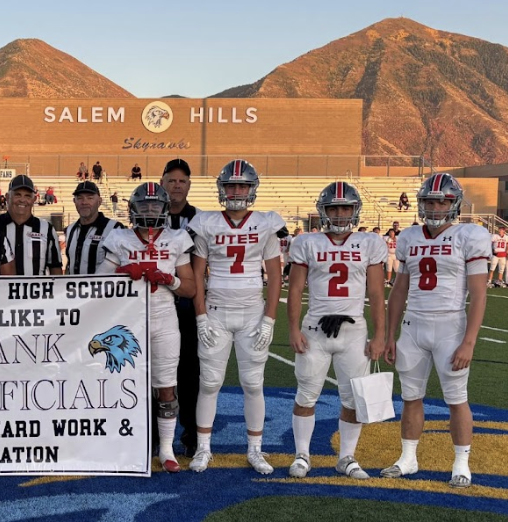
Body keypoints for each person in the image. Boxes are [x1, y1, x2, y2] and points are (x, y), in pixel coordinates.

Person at [383, 173, 490, 487]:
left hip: (450, 327)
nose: (434, 206)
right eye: (429, 200)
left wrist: (469, 342)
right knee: (410, 397)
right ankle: (408, 458)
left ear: (453, 202)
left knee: (457, 399)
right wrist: (390, 335)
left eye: (441, 200)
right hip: (413, 327)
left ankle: (461, 462)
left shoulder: (468, 236)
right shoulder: (409, 237)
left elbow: (480, 293)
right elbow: (399, 290)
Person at [189, 159, 286, 473]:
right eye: (231, 185)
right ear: (222, 189)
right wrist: (201, 316)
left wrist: (270, 319)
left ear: (251, 189)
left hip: (252, 314)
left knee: (253, 383)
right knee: (210, 383)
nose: (235, 191)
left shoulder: (266, 223)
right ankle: (203, 448)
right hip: (216, 312)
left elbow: (274, 274)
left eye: (241, 185)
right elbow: (198, 273)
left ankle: (255, 449)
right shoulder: (207, 222)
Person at [286, 182, 388, 480]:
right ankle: (302, 454)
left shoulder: (369, 242)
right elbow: (294, 289)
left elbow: (377, 291)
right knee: (306, 394)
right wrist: (293, 328)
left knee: (353, 397)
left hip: (354, 329)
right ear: (324, 210)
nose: (340, 213)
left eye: (346, 207)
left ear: (355, 210)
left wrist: (380, 334)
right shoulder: (308, 243)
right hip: (316, 328)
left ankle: (346, 457)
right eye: (334, 207)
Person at [99, 182, 196, 472]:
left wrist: (169, 280)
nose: (150, 211)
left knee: (166, 386)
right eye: (144, 206)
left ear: (165, 209)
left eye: (155, 206)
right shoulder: (119, 238)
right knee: (123, 384)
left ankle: (166, 449)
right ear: (133, 209)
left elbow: (190, 288)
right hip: (127, 322)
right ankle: (127, 443)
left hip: (165, 318)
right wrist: (120, 272)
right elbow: (98, 284)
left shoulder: (177, 238)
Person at [160, 158, 201, 456]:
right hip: (155, 304)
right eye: (171, 180)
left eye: (182, 181)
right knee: (155, 372)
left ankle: (191, 433)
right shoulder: (147, 212)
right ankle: (151, 434)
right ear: (162, 183)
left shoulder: (200, 219)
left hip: (187, 303)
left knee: (189, 372)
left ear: (188, 185)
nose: (176, 185)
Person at [0, 175, 62, 276]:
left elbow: (55, 267)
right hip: (0, 291)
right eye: (17, 195)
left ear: (34, 199)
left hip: (35, 291)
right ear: (8, 197)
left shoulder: (46, 228)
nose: (22, 200)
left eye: (27, 196)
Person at [63, 181, 124, 275]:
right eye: (79, 198)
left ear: (99, 201)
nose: (84, 202)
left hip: (105, 289)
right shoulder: (70, 229)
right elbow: (70, 264)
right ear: (74, 201)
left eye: (90, 198)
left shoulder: (115, 229)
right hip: (74, 289)